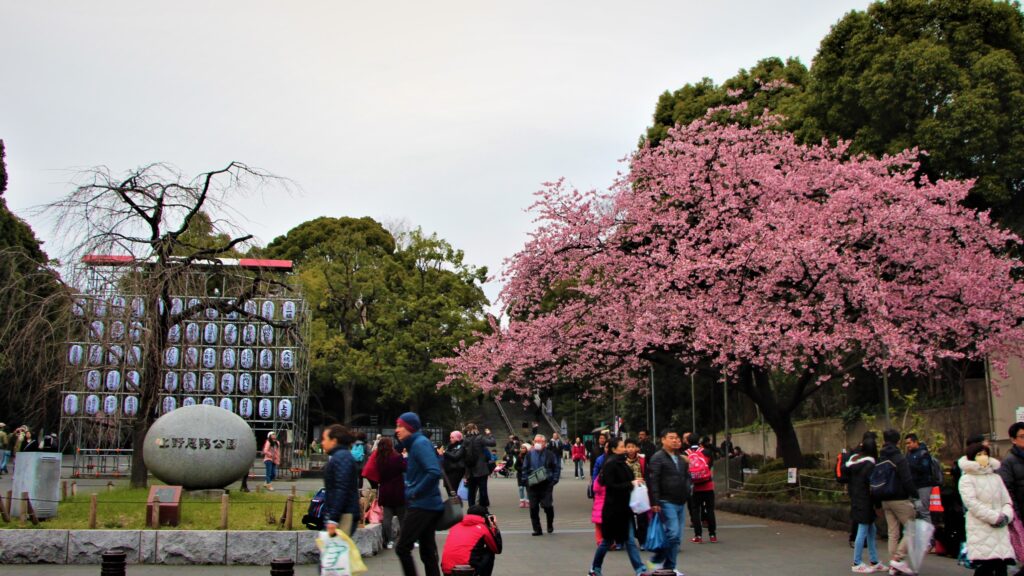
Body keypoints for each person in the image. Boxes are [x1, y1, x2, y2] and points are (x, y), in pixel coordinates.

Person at [588, 437, 647, 576]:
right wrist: (631, 484)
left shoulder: (623, 463)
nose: (625, 448)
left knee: (630, 541)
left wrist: (636, 483)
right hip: (613, 510)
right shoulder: (610, 464)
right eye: (621, 446)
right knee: (606, 542)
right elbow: (610, 486)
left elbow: (627, 481)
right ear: (614, 449)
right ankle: (594, 569)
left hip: (624, 509)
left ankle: (640, 570)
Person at [395, 412, 444, 576]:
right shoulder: (416, 443)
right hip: (428, 504)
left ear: (410, 428)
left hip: (422, 505)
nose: (397, 430)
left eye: (400, 426)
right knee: (428, 551)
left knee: (402, 547)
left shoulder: (419, 443)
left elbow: (434, 471)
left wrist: (414, 492)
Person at [960, 441, 1015, 576]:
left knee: (1002, 566)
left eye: (985, 454)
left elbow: (1007, 501)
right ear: (972, 457)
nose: (983, 456)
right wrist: (994, 517)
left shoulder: (996, 477)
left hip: (1001, 529)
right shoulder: (967, 479)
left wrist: (1006, 516)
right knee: (987, 566)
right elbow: (972, 504)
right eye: (979, 454)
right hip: (981, 528)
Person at [647, 429, 689, 575]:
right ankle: (665, 565)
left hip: (680, 501)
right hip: (666, 500)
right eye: (671, 438)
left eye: (677, 438)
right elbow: (653, 481)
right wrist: (655, 501)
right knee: (673, 534)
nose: (675, 440)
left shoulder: (682, 458)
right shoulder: (658, 457)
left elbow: (686, 476)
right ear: (663, 440)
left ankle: (663, 564)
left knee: (677, 537)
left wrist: (688, 489)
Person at [878, 429, 919, 575]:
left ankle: (894, 566)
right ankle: (898, 558)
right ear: (897, 440)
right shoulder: (899, 458)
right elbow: (907, 480)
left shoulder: (881, 457)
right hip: (900, 499)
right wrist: (915, 494)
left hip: (885, 499)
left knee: (893, 533)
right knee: (912, 529)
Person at [848, 435, 886, 573]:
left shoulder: (855, 463)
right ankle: (857, 562)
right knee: (863, 530)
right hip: (866, 501)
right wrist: (878, 505)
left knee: (871, 530)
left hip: (858, 499)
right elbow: (874, 486)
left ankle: (874, 560)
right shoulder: (871, 465)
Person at [321, 424, 360, 538]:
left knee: (338, 552)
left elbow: (341, 488)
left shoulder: (342, 457)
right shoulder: (341, 456)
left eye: (324, 439)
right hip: (342, 513)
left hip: (344, 515)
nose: (322, 443)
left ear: (334, 441)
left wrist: (333, 518)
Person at [441, 504, 503, 576]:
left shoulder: (455, 525)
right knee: (489, 551)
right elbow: (497, 549)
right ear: (484, 517)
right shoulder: (483, 528)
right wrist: (494, 527)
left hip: (447, 570)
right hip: (467, 571)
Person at [522, 434, 561, 536]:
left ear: (544, 443)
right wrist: (525, 480)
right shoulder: (529, 454)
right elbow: (524, 468)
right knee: (533, 508)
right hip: (532, 485)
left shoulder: (550, 454)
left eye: (540, 441)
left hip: (546, 485)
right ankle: (537, 529)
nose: (537, 443)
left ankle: (549, 523)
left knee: (547, 506)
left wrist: (554, 480)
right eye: (535, 441)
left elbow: (556, 468)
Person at [375, 436, 407, 550]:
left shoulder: (378, 459)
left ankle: (389, 540)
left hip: (385, 490)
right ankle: (404, 540)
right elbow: (405, 468)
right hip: (398, 490)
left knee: (387, 518)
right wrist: (405, 457)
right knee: (402, 517)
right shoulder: (397, 457)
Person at [687, 435, 717, 543]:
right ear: (699, 441)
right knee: (710, 510)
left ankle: (698, 536)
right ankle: (712, 535)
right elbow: (710, 467)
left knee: (695, 511)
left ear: (687, 441)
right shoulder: (707, 452)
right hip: (708, 485)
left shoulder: (686, 453)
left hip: (694, 487)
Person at [905, 433, 938, 521]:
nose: (908, 446)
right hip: (913, 486)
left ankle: (928, 534)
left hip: (924, 486)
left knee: (924, 512)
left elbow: (924, 469)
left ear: (916, 442)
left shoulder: (924, 454)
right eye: (906, 444)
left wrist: (910, 465)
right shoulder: (908, 455)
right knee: (915, 511)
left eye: (909, 443)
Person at [624, 437, 649, 550]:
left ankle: (642, 540)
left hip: (641, 491)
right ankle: (630, 537)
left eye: (632, 447)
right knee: (628, 517)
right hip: (627, 492)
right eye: (628, 447)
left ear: (636, 448)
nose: (630, 449)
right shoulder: (622, 461)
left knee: (642, 517)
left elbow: (648, 474)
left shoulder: (643, 460)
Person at [463, 423, 496, 508]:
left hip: (470, 470)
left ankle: (471, 508)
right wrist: (489, 434)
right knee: (482, 490)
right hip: (481, 469)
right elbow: (493, 443)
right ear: (475, 429)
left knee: (471, 491)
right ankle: (482, 508)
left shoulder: (465, 439)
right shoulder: (480, 438)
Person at [443, 431, 467, 495]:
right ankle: (453, 503)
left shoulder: (462, 446)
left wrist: (444, 452)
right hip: (448, 470)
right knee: (448, 488)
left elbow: (456, 457)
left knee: (453, 490)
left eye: (452, 437)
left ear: (457, 438)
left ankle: (456, 504)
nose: (450, 439)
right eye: (450, 437)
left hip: (456, 470)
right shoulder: (450, 445)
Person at [514, 443, 530, 508]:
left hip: (528, 475)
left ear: (526, 449)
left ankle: (527, 501)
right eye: (522, 448)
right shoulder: (519, 456)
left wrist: (527, 470)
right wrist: (521, 469)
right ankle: (522, 501)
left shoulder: (529, 456)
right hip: (520, 474)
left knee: (528, 488)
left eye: (524, 448)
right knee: (521, 488)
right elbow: (515, 466)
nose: (522, 449)